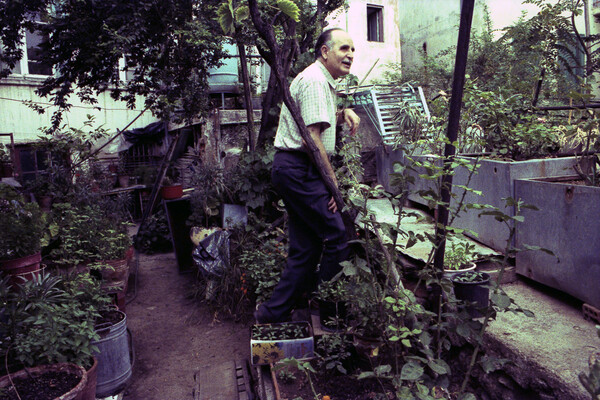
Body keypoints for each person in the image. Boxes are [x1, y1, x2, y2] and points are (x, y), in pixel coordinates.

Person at [254, 28, 360, 327]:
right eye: (343, 48)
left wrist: (343, 113)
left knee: (306, 248)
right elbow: (312, 140)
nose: (350, 55)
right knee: (337, 235)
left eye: (352, 49)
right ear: (325, 52)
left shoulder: (321, 82)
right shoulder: (315, 81)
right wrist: (333, 188)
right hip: (300, 168)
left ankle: (271, 313)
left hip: (295, 169)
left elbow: (316, 120)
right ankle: (327, 310)